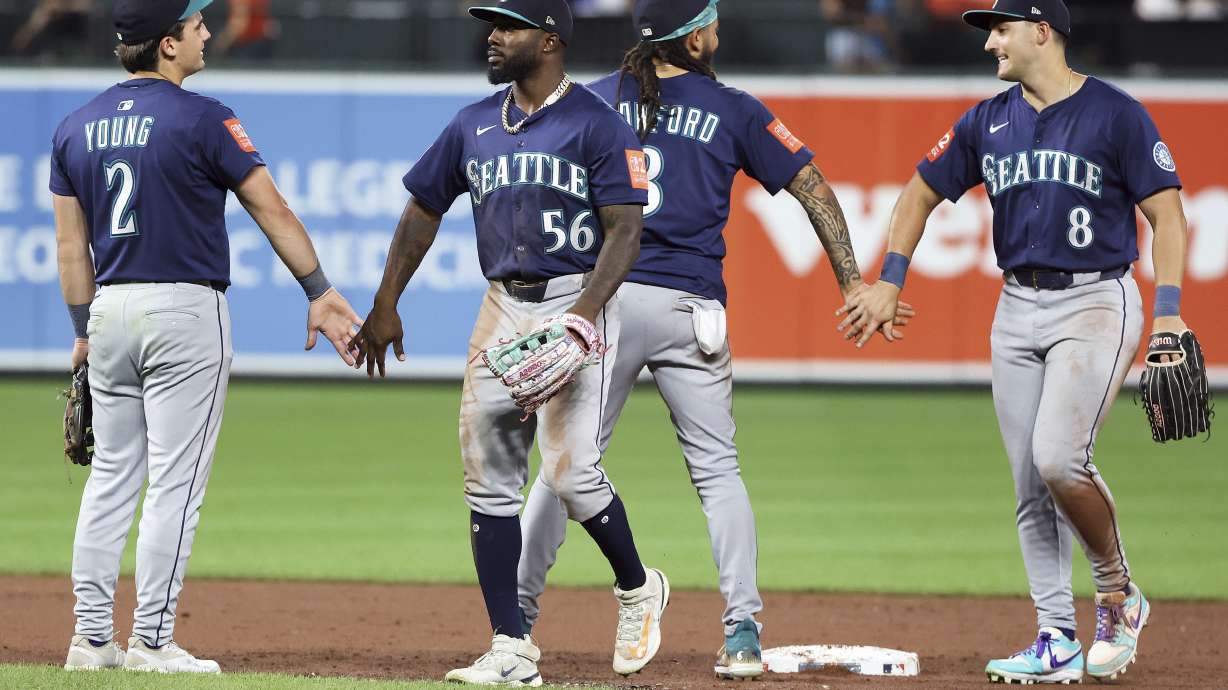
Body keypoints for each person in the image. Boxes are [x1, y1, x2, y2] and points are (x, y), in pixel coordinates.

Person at [516, 0, 912, 681]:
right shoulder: (733, 108)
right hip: (692, 309)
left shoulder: (594, 100)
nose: (718, 32)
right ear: (693, 36)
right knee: (717, 471)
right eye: (712, 22)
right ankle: (742, 631)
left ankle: (514, 620)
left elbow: (544, 191)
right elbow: (812, 187)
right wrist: (851, 281)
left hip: (605, 299)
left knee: (564, 466)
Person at [838, 0, 1189, 684]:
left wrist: (1170, 312)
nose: (990, 42)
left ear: (1041, 31)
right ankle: (1055, 636)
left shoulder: (1115, 113)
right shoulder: (987, 119)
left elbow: (1167, 216)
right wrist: (890, 278)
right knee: (1031, 485)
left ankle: (1117, 594)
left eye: (1000, 29)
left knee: (1060, 459)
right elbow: (916, 194)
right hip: (1017, 303)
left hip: (1096, 299)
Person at [348, 0, 667, 684]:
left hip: (577, 299)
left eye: (509, 26)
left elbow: (626, 232)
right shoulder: (472, 125)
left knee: (572, 476)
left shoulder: (598, 126)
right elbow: (422, 209)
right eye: (492, 25)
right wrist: (385, 301)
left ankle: (639, 589)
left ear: (549, 40)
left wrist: (583, 314)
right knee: (488, 479)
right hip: (502, 306)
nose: (493, 37)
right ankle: (511, 645)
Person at [52, 0, 361, 673]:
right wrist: (319, 291)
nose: (206, 33)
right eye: (196, 26)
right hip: (184, 310)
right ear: (166, 44)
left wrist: (81, 332)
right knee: (175, 484)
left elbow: (70, 248)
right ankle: (154, 643)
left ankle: (91, 640)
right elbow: (270, 208)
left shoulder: (75, 127)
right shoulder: (203, 115)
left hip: (109, 307)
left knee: (110, 478)